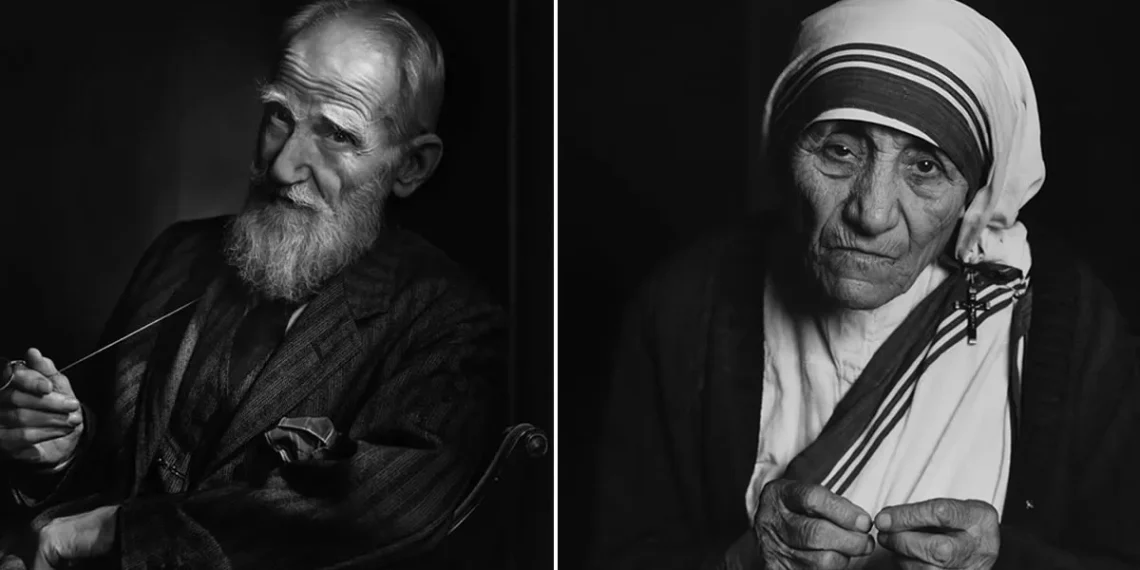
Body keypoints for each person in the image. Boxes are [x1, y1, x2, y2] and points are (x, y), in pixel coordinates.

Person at [586, 0, 1140, 568]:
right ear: (785, 154)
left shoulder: (1064, 318)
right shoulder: (687, 305)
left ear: (974, 194)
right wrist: (744, 560)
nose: (871, 213)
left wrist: (1007, 563)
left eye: (926, 167)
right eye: (839, 150)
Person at [0, 1, 506, 568]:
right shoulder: (179, 254)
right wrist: (57, 451)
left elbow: (378, 516)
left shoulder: (450, 323)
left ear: (411, 167)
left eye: (337, 134)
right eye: (279, 116)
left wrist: (119, 532)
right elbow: (110, 464)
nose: (285, 164)